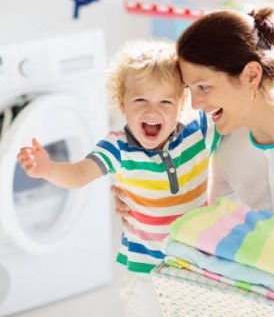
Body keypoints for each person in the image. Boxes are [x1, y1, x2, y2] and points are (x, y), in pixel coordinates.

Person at [116, 8, 274, 316]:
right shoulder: (227, 149)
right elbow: (217, 237)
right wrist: (144, 198)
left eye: (203, 87)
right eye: (191, 90)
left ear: (251, 75)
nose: (196, 104)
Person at [17, 40, 220, 317]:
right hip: (147, 268)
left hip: (196, 263)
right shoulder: (118, 147)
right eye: (140, 100)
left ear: (181, 104)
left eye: (165, 101)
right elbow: (79, 174)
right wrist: (48, 169)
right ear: (121, 103)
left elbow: (230, 101)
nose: (152, 111)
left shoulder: (197, 133)